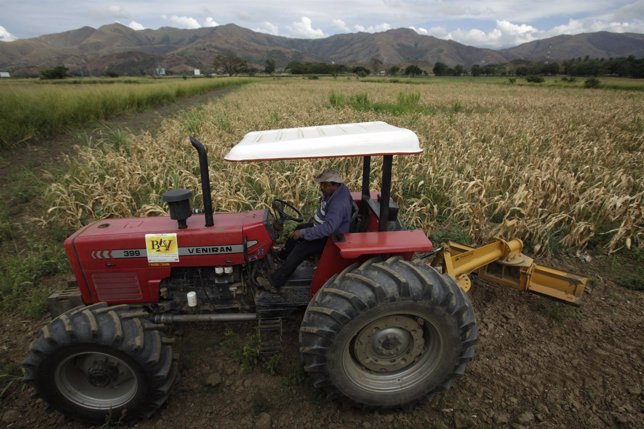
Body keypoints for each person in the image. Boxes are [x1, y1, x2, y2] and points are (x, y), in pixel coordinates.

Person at [262, 169, 353, 290]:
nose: (321, 187)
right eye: (321, 184)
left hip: (332, 236)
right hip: (323, 227)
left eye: (324, 185)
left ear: (334, 184)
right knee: (299, 228)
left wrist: (304, 233)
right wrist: (304, 230)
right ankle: (283, 256)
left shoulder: (338, 205)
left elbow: (328, 229)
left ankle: (276, 281)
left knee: (301, 249)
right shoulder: (337, 191)